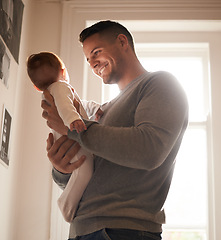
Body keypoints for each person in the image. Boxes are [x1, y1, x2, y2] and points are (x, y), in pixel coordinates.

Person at [41, 20, 189, 240]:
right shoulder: (103, 111)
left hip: (122, 230)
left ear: (122, 42)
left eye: (96, 52)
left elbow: (149, 150)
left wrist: (73, 128)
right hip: (83, 230)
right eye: (88, 59)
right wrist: (62, 168)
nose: (93, 64)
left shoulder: (160, 84)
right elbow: (88, 176)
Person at [27, 52, 102, 222]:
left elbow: (81, 104)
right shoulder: (60, 87)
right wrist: (72, 119)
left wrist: (95, 108)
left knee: (82, 172)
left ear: (36, 87)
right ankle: (66, 206)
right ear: (64, 71)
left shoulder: (53, 92)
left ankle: (67, 203)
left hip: (68, 139)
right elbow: (65, 106)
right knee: (84, 172)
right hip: (72, 139)